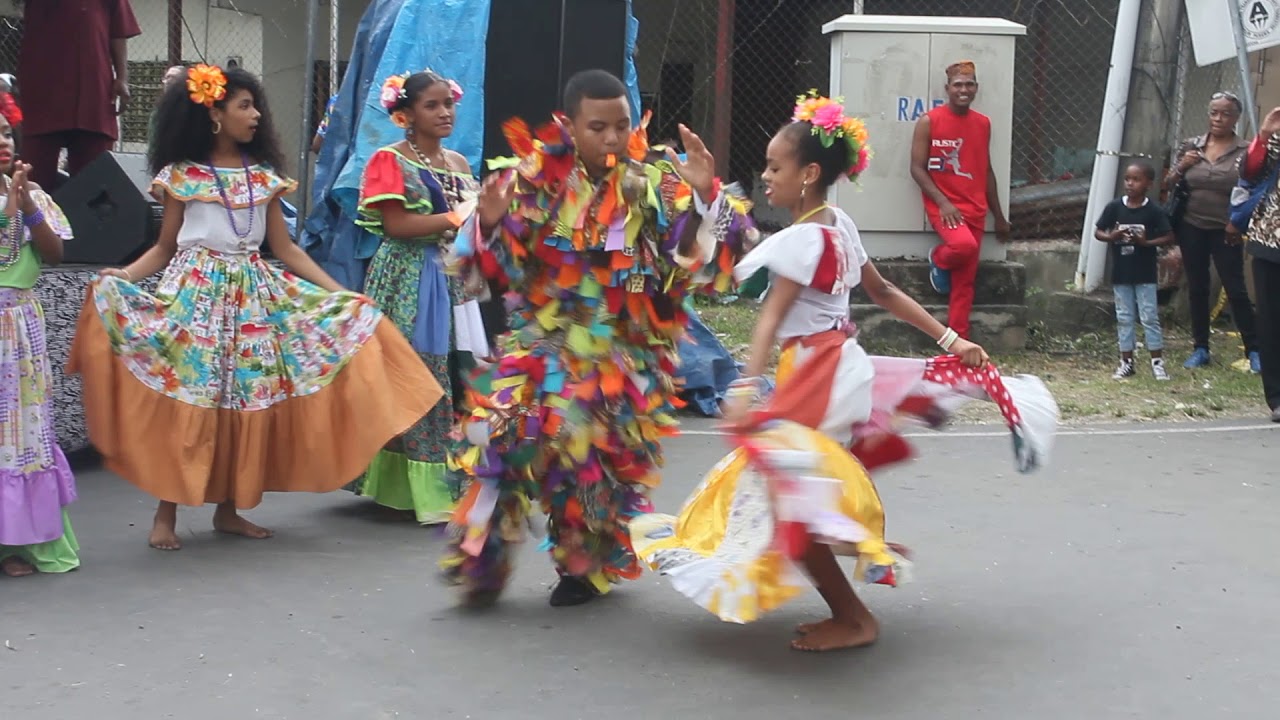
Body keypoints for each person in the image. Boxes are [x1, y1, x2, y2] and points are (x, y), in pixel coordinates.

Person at [631, 93, 1057, 652]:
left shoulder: (808, 237)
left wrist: (742, 387)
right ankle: (851, 576)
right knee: (790, 492)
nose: (765, 177)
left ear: (809, 173)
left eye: (775, 167)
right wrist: (952, 339)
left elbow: (771, 316)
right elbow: (880, 291)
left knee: (786, 491)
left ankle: (854, 614)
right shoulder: (836, 225)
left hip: (818, 377)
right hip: (835, 370)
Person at [67, 65, 443, 550]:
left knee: (243, 400)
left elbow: (287, 250)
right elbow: (164, 248)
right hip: (196, 301)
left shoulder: (265, 178)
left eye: (254, 105)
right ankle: (167, 512)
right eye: (244, 105)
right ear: (215, 114)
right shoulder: (184, 176)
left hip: (253, 302)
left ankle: (229, 509)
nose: (256, 114)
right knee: (193, 398)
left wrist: (339, 293)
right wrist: (124, 276)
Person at [440, 69, 754, 607]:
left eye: (621, 125)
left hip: (623, 352)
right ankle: (482, 563)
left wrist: (706, 195)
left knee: (586, 455)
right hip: (542, 343)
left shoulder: (655, 182)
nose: (611, 138)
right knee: (498, 435)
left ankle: (584, 563)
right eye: (598, 127)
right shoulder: (528, 181)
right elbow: (476, 273)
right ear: (568, 125)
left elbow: (724, 260)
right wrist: (487, 225)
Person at [348, 70, 488, 524]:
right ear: (406, 115)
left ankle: (450, 477)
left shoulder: (459, 164)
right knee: (415, 371)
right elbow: (396, 226)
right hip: (409, 276)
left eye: (449, 102)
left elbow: (471, 225)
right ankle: (408, 484)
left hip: (453, 277)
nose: (445, 112)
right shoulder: (391, 160)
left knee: (460, 368)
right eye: (433, 105)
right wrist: (453, 217)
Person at [0, 93, 79, 577]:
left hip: (20, 331)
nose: (2, 143)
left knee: (20, 434)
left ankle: (17, 543)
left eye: (6, 133)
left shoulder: (36, 194)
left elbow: (54, 255)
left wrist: (27, 206)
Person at [910, 60, 1011, 339]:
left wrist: (999, 217)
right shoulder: (929, 121)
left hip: (975, 208)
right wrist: (942, 202)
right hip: (945, 208)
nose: (963, 89)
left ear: (976, 88)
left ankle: (958, 344)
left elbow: (986, 170)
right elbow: (916, 168)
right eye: (958, 85)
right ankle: (940, 259)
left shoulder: (983, 123)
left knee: (965, 283)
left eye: (969, 84)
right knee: (962, 247)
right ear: (948, 88)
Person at [1167, 92, 1259, 372]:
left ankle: (1254, 350)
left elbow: (1252, 190)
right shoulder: (1191, 146)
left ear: (1236, 118)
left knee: (1235, 288)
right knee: (1197, 287)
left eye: (1226, 114)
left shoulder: (1245, 150)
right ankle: (1200, 348)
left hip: (1226, 229)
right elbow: (1168, 182)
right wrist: (1182, 167)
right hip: (1191, 225)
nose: (1219, 119)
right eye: (1214, 113)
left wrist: (1237, 222)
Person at [18, 0, 141, 190]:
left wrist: (122, 78)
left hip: (94, 91)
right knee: (33, 180)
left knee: (96, 184)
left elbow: (118, 31)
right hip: (43, 91)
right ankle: (29, 219)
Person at [1096, 161, 1174, 381]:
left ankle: (1157, 362)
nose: (1130, 184)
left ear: (1148, 184)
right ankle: (1126, 362)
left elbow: (1169, 236)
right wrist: (1111, 237)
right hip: (1121, 272)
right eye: (1127, 179)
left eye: (1136, 179)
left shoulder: (1154, 210)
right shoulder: (1114, 207)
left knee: (1149, 316)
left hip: (1145, 273)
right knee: (1124, 317)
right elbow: (1099, 231)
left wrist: (1146, 242)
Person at [1239, 106, 1280, 423]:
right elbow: (1251, 171)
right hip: (1272, 240)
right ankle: (1277, 398)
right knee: (1271, 319)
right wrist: (1265, 133)